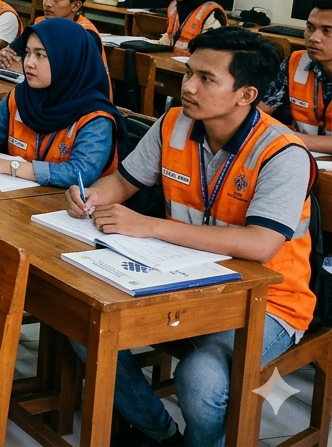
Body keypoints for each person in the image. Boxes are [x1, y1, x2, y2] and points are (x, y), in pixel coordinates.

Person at [67, 27, 317, 447]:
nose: (188, 87)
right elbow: (123, 182)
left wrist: (149, 226)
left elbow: (261, 244)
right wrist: (89, 194)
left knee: (201, 378)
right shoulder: (173, 124)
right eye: (188, 74)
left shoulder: (283, 153)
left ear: (246, 95)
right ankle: (161, 433)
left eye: (206, 79)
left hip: (268, 300)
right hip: (182, 278)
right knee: (81, 320)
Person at [0, 18, 122, 366]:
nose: (30, 63)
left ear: (68, 60)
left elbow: (82, 171)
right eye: (28, 54)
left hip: (74, 226)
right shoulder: (24, 96)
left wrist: (13, 166)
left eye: (42, 55)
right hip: (23, 211)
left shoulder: (96, 117)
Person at [261, 0, 332, 154]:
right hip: (301, 154)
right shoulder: (296, 62)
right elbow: (262, 109)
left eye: (327, 31)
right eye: (310, 27)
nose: (314, 37)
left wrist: (288, 136)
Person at [0, 0, 103, 72]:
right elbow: (13, 52)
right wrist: (5, 55)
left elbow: (67, 73)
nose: (47, 3)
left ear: (75, 6)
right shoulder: (40, 23)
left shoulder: (86, 35)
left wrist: (24, 65)